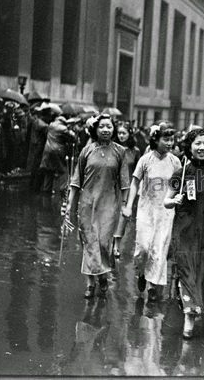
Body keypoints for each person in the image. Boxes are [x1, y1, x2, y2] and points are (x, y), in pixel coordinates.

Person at [164, 128, 204, 339]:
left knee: (202, 274)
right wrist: (173, 201)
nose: (202, 148)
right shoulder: (181, 172)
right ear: (189, 147)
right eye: (197, 144)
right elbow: (166, 200)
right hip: (184, 230)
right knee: (186, 270)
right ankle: (188, 320)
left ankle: (195, 306)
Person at [66, 114, 130, 298]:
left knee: (103, 242)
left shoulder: (120, 151)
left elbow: (125, 182)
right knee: (89, 242)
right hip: (87, 203)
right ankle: (90, 283)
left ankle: (102, 274)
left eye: (109, 126)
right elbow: (76, 181)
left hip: (109, 204)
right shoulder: (86, 151)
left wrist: (125, 205)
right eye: (102, 126)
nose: (105, 130)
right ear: (95, 129)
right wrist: (70, 205)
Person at [121, 126, 181, 301]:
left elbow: (179, 185)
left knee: (159, 248)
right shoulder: (145, 160)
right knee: (144, 248)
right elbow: (134, 183)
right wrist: (128, 205)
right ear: (156, 140)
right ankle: (141, 272)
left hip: (166, 212)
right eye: (166, 139)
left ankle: (153, 286)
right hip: (146, 210)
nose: (170, 143)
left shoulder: (175, 162)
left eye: (172, 140)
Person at [40, 115, 76, 194]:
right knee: (63, 170)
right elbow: (73, 137)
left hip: (47, 150)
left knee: (48, 170)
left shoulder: (50, 125)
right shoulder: (63, 128)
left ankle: (46, 190)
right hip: (57, 150)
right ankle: (63, 189)